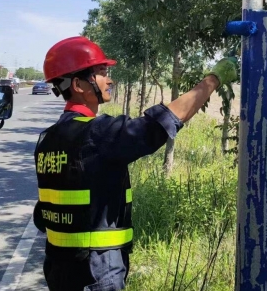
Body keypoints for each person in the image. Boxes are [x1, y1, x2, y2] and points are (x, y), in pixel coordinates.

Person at [33, 36, 238, 291]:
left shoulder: (47, 140)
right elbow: (160, 124)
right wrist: (214, 79)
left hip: (60, 270)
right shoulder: (98, 134)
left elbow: (44, 216)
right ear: (78, 84)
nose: (110, 79)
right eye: (101, 72)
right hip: (95, 271)